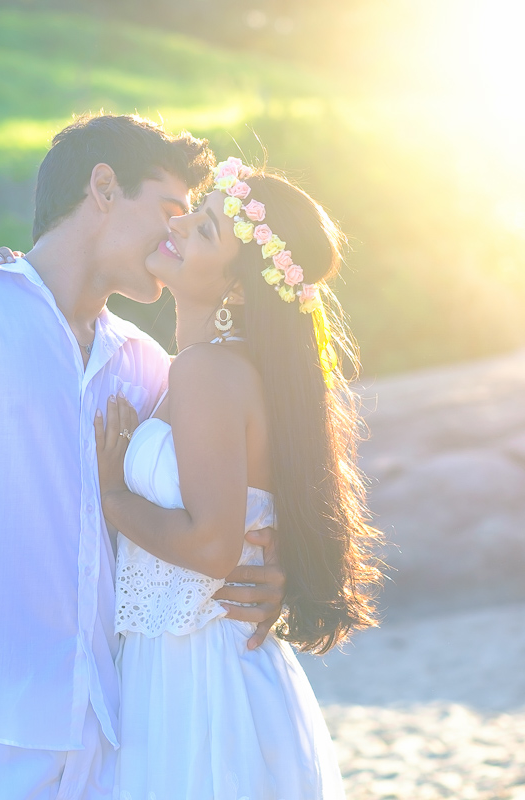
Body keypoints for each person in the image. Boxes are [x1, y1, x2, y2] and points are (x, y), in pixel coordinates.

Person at [0, 116, 286, 800]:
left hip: (121, 739)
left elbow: (206, 504)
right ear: (102, 187)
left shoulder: (148, 365)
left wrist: (271, 569)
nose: (177, 233)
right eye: (170, 209)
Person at [92, 157, 384, 799]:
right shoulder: (202, 370)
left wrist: (112, 494)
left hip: (200, 677)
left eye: (205, 231)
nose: (182, 220)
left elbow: (212, 546)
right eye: (199, 211)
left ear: (237, 290)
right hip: (186, 663)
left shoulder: (209, 372)